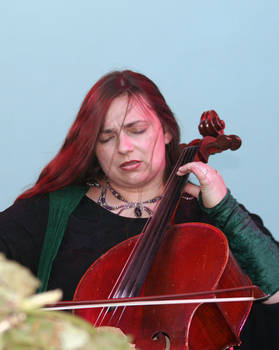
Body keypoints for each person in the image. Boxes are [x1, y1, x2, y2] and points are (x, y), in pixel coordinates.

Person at [0, 70, 279, 349]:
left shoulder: (214, 214)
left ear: (167, 131)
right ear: (93, 147)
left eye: (137, 130)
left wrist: (224, 208)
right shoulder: (50, 212)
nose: (123, 147)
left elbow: (275, 295)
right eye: (106, 137)